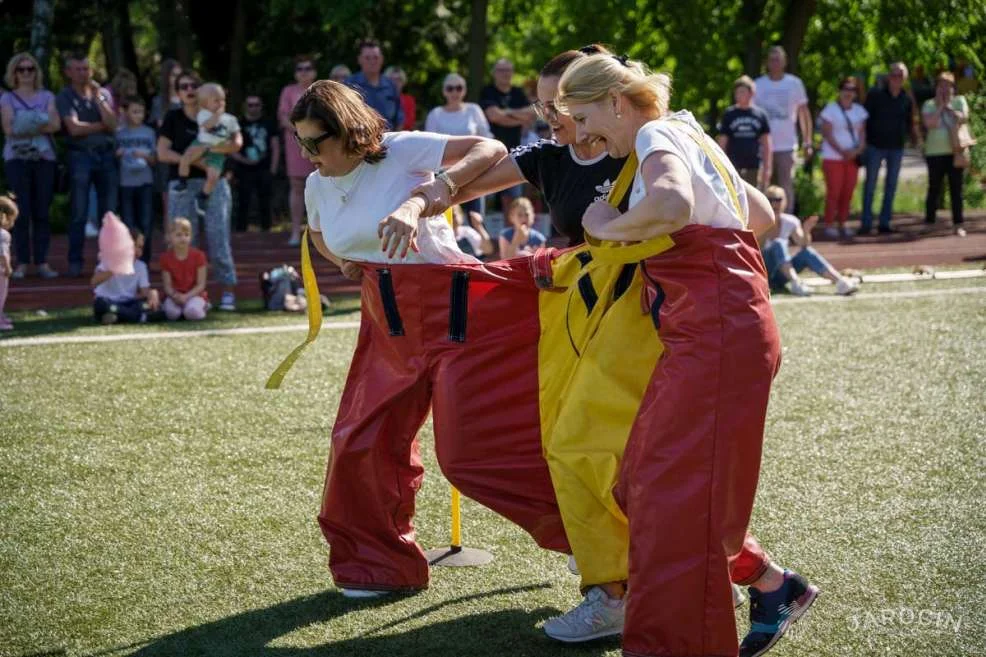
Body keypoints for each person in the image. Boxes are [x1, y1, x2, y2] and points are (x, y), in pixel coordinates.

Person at [556, 53, 817, 657]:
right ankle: (768, 589)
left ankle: (679, 640)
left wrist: (607, 224)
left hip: (714, 327)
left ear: (616, 103)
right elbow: (763, 217)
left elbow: (672, 206)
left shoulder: (653, 132)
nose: (582, 132)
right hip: (722, 322)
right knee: (650, 480)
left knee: (667, 489)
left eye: (583, 115)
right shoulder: (691, 131)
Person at [291, 80, 575, 598]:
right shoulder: (316, 184)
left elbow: (490, 147)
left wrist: (427, 196)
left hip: (456, 308)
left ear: (349, 132)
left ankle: (597, 537)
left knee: (475, 454)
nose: (307, 155)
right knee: (357, 442)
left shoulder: (400, 149)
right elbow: (315, 232)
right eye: (300, 143)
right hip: (385, 318)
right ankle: (379, 565)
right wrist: (343, 261)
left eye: (316, 143)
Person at [157, 71, 241, 311]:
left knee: (218, 237)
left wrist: (207, 154)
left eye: (194, 84)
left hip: (216, 185)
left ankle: (227, 291)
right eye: (183, 86)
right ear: (177, 91)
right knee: (181, 241)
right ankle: (181, 294)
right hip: (182, 185)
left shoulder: (218, 116)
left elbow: (235, 144)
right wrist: (198, 162)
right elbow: (162, 153)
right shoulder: (173, 117)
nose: (189, 89)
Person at [56, 52, 119, 277]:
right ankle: (75, 262)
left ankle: (109, 261)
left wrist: (100, 100)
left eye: (86, 69)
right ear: (68, 73)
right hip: (80, 156)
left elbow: (113, 124)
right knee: (79, 212)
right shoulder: (65, 96)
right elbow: (73, 129)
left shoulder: (103, 94)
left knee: (109, 213)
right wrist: (100, 126)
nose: (84, 74)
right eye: (78, 69)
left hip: (106, 156)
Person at [1, 52, 60, 280]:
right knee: (21, 212)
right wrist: (39, 120)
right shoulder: (7, 99)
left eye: (30, 69)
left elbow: (55, 124)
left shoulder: (47, 95)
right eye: (21, 69)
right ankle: (22, 262)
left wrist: (23, 121)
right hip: (16, 159)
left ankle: (43, 262)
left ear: (36, 72)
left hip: (44, 160)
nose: (26, 73)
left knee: (42, 212)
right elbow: (9, 129)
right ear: (13, 73)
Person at [761, 186, 858, 296]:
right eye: (770, 200)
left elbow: (803, 244)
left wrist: (806, 231)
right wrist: (768, 225)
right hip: (762, 272)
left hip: (780, 275)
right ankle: (796, 283)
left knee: (807, 252)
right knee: (778, 243)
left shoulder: (790, 221)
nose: (774, 203)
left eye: (778, 199)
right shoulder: (758, 220)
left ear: (785, 201)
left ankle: (840, 282)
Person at [860, 62, 920, 235]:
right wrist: (863, 142)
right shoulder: (875, 95)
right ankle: (866, 223)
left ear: (905, 79)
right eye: (893, 74)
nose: (896, 78)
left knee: (891, 186)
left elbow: (910, 123)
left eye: (900, 75)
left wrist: (916, 141)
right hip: (874, 146)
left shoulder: (906, 99)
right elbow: (863, 119)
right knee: (870, 185)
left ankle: (884, 222)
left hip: (896, 148)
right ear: (888, 77)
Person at [424, 73, 492, 217]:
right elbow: (429, 147)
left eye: (459, 88)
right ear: (444, 91)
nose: (455, 92)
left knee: (476, 218)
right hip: (444, 175)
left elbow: (487, 139)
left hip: (473, 170)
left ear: (464, 90)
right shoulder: (435, 114)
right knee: (446, 217)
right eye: (450, 88)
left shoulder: (474, 110)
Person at [754, 46, 813, 212]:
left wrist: (807, 142)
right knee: (763, 186)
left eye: (778, 59)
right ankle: (764, 230)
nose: (775, 63)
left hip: (787, 145)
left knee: (786, 186)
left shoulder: (794, 83)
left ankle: (786, 227)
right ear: (767, 63)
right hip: (763, 146)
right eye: (772, 59)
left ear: (785, 62)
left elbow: (804, 114)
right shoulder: (758, 85)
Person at [176, 83, 241, 219]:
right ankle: (182, 181)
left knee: (213, 176)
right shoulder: (203, 115)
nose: (220, 104)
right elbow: (208, 125)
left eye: (222, 100)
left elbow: (235, 135)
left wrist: (233, 142)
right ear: (205, 103)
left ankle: (203, 196)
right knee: (185, 159)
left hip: (218, 149)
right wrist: (217, 115)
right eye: (216, 101)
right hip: (201, 143)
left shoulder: (230, 119)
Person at [479, 58, 537, 206]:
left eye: (508, 70)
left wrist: (507, 112)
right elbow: (494, 116)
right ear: (494, 73)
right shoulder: (488, 92)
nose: (505, 74)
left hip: (514, 153)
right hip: (490, 154)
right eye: (501, 70)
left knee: (513, 200)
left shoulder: (518, 93)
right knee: (489, 199)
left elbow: (532, 114)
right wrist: (519, 118)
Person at [922, 72, 970, 237]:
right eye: (941, 85)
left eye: (947, 85)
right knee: (934, 187)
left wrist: (948, 106)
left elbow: (963, 118)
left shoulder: (959, 101)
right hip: (934, 152)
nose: (944, 88)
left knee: (956, 189)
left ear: (952, 87)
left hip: (955, 151)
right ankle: (929, 222)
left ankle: (958, 224)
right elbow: (930, 124)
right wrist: (940, 106)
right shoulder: (929, 104)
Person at [819, 77, 868, 239]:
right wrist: (842, 151)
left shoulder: (859, 111)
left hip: (852, 158)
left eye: (852, 89)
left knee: (848, 191)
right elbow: (827, 133)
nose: (848, 92)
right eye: (845, 89)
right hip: (833, 157)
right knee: (834, 191)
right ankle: (828, 224)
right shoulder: (830, 109)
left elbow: (862, 134)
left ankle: (843, 223)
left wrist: (856, 151)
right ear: (840, 91)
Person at [278, 55, 318, 246]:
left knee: (322, 185)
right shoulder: (288, 91)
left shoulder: (320, 90)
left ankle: (319, 232)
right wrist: (301, 132)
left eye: (308, 68)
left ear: (314, 71)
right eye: (300, 68)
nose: (304, 72)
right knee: (296, 185)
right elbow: (283, 117)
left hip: (319, 142)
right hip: (295, 142)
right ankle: (296, 231)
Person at [115, 96, 156, 263]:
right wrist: (117, 155)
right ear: (125, 112)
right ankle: (128, 258)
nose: (138, 115)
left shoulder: (150, 132)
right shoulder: (119, 133)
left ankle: (144, 259)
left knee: (146, 221)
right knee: (128, 222)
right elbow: (113, 158)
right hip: (125, 183)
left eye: (141, 112)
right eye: (134, 111)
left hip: (145, 182)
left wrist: (145, 156)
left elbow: (155, 160)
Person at [91, 228, 161, 324]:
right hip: (108, 301)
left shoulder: (141, 266)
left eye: (140, 247)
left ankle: (117, 317)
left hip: (128, 303)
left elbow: (144, 292)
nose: (138, 251)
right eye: (135, 246)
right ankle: (139, 317)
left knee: (146, 305)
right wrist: (115, 268)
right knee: (101, 305)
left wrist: (152, 293)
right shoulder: (109, 261)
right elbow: (94, 282)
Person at [232, 95, 280, 232]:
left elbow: (275, 146)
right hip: (243, 169)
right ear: (245, 107)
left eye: (256, 105)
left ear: (261, 106)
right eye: (250, 105)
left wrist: (273, 169)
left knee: (265, 202)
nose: (253, 108)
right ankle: (240, 234)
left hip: (264, 168)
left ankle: (267, 231)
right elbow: (229, 147)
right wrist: (242, 160)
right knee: (243, 202)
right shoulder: (237, 124)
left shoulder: (269, 123)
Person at [716, 75, 772, 189]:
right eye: (737, 92)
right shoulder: (729, 114)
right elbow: (722, 142)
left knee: (754, 195)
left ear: (751, 93)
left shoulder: (760, 115)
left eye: (742, 92)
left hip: (754, 165)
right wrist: (721, 165)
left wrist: (767, 168)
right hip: (733, 165)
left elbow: (767, 144)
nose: (738, 95)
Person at [151, 59, 183, 224]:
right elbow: (161, 127)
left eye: (179, 75)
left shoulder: (189, 100)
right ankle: (169, 234)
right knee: (168, 196)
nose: (176, 79)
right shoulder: (159, 102)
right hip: (167, 154)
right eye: (173, 76)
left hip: (187, 152)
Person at [345, 39, 403, 130]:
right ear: (359, 60)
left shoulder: (391, 86)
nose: (372, 61)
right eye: (367, 58)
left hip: (388, 140)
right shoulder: (349, 85)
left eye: (376, 57)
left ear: (382, 59)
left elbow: (399, 120)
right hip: (360, 141)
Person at [160, 217, 208, 321]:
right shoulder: (165, 258)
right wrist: (175, 296)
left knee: (192, 312)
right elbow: (167, 286)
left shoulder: (199, 256)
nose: (183, 238)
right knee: (172, 314)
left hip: (194, 295)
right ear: (170, 237)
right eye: (179, 235)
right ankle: (182, 310)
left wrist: (186, 296)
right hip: (175, 296)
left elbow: (201, 284)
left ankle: (203, 306)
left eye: (186, 235)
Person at [0, 193, 18, 330]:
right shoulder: (3, 234)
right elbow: (3, 253)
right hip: (1, 273)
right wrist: (7, 268)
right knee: (1, 295)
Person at [385, 66, 416, 130]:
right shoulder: (380, 97)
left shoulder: (409, 100)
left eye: (399, 79)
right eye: (391, 79)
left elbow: (410, 122)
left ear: (403, 82)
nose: (395, 82)